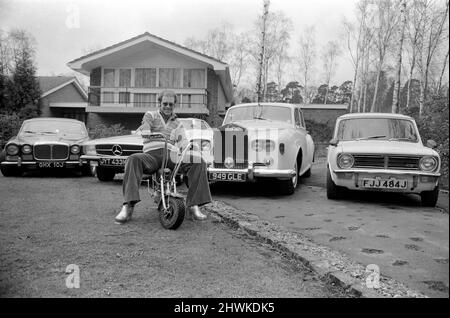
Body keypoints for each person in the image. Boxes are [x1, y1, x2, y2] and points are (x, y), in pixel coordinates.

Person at [115, 90, 211, 223]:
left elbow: (182, 141)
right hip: (151, 156)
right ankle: (128, 206)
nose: (168, 106)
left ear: (174, 105)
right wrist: (147, 131)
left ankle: (193, 206)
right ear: (159, 103)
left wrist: (191, 148)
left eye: (171, 104)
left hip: (171, 156)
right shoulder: (151, 115)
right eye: (165, 103)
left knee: (199, 161)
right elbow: (145, 125)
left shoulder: (178, 123)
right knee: (133, 159)